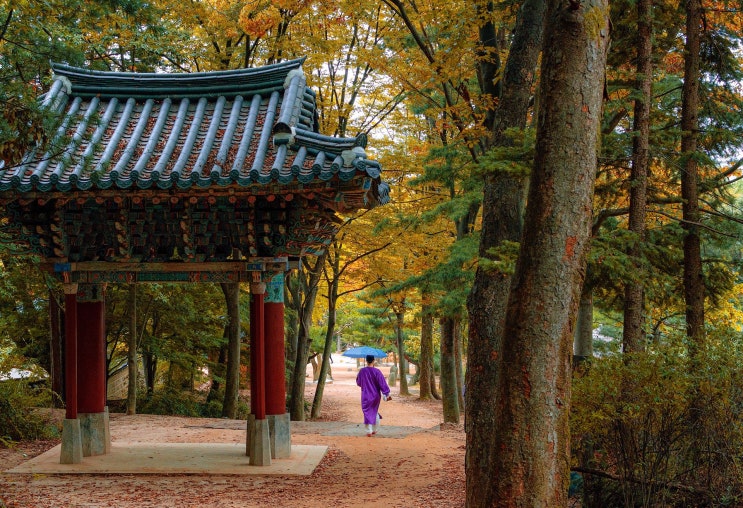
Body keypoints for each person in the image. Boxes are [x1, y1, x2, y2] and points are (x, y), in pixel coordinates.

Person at [356, 354, 392, 437]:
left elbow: (359, 383)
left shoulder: (362, 371)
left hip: (365, 395)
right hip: (376, 395)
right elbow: (382, 383)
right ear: (373, 361)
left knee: (367, 412)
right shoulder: (377, 371)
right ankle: (375, 429)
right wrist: (386, 393)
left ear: (366, 361)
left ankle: (369, 430)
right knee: (374, 411)